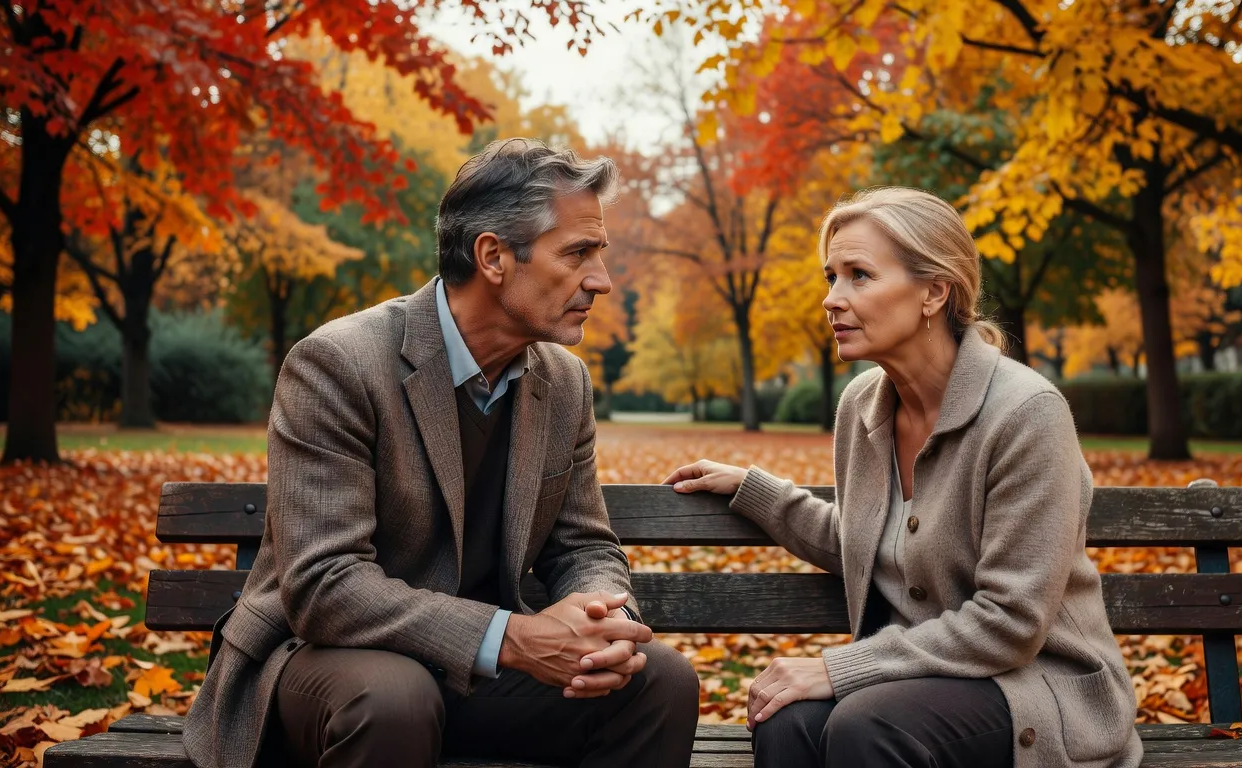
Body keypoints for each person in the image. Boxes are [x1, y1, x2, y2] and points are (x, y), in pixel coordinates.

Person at [184, 139, 700, 768]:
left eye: (600, 254)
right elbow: (324, 586)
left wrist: (604, 620)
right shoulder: (338, 364)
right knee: (395, 698)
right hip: (324, 661)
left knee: (658, 681)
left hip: (476, 674)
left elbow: (584, 546)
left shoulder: (564, 382)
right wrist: (512, 638)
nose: (602, 280)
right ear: (493, 257)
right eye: (577, 253)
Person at [665, 187, 1142, 768]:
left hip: (1038, 688)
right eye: (831, 277)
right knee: (786, 720)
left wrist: (840, 668)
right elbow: (867, 544)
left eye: (859, 276)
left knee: (867, 726)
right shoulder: (863, 406)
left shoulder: (1026, 414)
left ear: (934, 292)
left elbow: (1012, 622)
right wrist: (754, 491)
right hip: (916, 677)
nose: (832, 299)